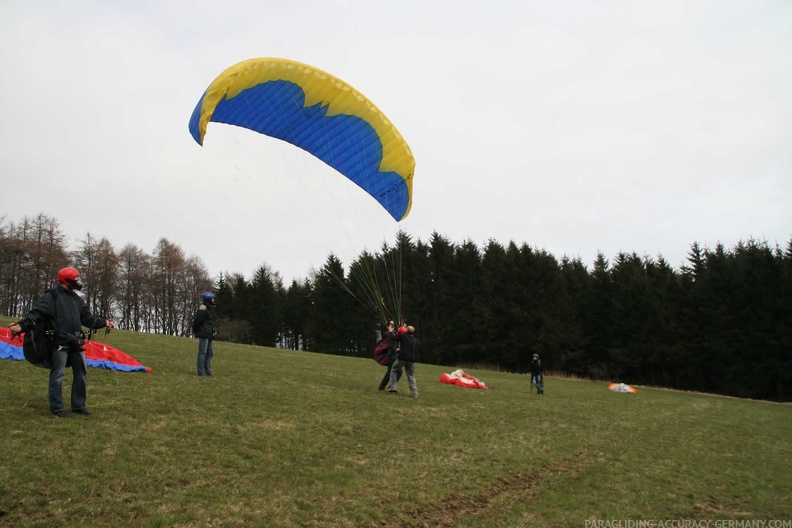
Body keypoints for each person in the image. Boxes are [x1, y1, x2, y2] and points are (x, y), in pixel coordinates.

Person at [9, 267, 114, 418]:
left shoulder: (77, 299)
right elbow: (37, 314)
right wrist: (20, 326)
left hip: (76, 342)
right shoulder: (52, 297)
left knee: (81, 372)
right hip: (59, 342)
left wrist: (104, 322)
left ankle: (79, 406)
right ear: (68, 280)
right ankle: (57, 408)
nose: (78, 282)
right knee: (58, 373)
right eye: (76, 279)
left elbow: (88, 319)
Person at [386, 323, 419, 398]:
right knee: (411, 376)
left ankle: (393, 388)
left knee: (394, 370)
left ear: (407, 330)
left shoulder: (403, 336)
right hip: (411, 360)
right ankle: (415, 393)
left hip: (402, 358)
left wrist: (390, 331)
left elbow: (393, 337)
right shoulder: (413, 339)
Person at [192, 291, 217, 376]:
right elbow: (197, 321)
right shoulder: (203, 309)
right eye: (212, 299)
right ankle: (201, 371)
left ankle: (208, 371)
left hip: (209, 334)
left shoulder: (209, 309)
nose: (214, 300)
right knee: (203, 353)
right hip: (204, 334)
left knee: (210, 353)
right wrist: (196, 331)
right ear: (209, 300)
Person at [378, 320, 402, 391]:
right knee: (395, 372)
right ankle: (388, 387)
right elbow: (392, 336)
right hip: (392, 355)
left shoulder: (396, 334)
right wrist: (391, 324)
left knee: (393, 372)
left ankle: (384, 387)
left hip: (393, 355)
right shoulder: (391, 335)